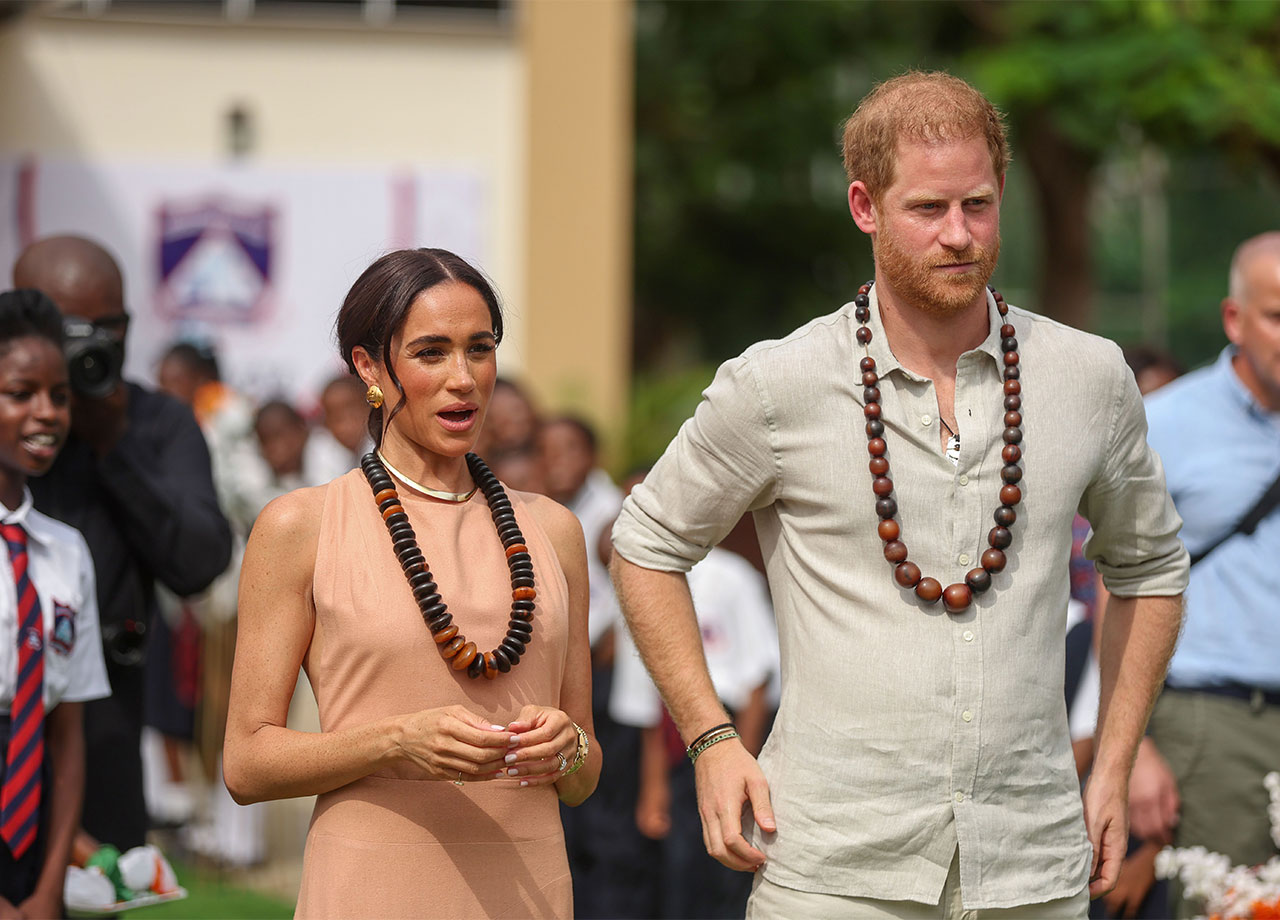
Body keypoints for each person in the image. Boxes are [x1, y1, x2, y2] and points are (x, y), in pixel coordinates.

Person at [609, 71, 1188, 918]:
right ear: (864, 206)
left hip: (1032, 867)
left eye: (979, 206)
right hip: (830, 865)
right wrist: (710, 738)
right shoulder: (778, 385)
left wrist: (1115, 762)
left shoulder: (1088, 375)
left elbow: (1151, 567)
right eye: (928, 210)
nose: (959, 235)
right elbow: (645, 545)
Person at [222, 247, 601, 919]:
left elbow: (584, 776)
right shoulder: (299, 526)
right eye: (431, 353)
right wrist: (394, 741)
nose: (464, 378)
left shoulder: (555, 531)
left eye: (479, 349)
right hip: (370, 887)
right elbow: (246, 763)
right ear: (370, 368)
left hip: (533, 891)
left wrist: (566, 747)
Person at [12, 236, 232, 854]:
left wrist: (114, 445)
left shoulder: (157, 423)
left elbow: (199, 563)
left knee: (103, 882)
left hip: (106, 715)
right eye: (61, 328)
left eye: (100, 329)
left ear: (127, 327)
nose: (84, 348)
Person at [1131, 232, 1280, 918]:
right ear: (1233, 318)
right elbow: (1118, 591)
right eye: (1277, 316)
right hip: (1214, 725)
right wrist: (1132, 750)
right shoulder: (1165, 424)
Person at [0, 289, 110, 918]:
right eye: (21, 394)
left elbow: (67, 734)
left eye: (60, 396)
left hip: (32, 839)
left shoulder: (66, 552)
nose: (47, 413)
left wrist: (45, 893)